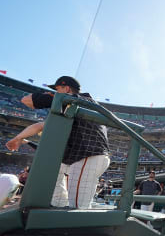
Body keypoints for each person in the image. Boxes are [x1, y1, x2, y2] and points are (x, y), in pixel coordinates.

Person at [18, 76, 110, 209]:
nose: (56, 93)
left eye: (57, 89)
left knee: (77, 209)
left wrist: (47, 96)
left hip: (87, 158)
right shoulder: (88, 102)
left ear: (66, 89)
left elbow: (26, 100)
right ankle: (58, 203)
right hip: (86, 157)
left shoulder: (71, 99)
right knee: (54, 168)